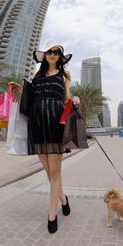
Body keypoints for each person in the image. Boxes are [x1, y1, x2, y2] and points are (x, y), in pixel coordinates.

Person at [10, 43, 80, 234]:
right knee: (48, 171)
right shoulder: (37, 76)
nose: (52, 54)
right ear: (45, 55)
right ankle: (63, 199)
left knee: (55, 171)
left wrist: (75, 100)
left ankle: (52, 214)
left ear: (60, 57)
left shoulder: (64, 77)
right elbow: (30, 99)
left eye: (57, 52)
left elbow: (66, 98)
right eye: (50, 51)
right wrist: (18, 90)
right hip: (38, 125)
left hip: (55, 124)